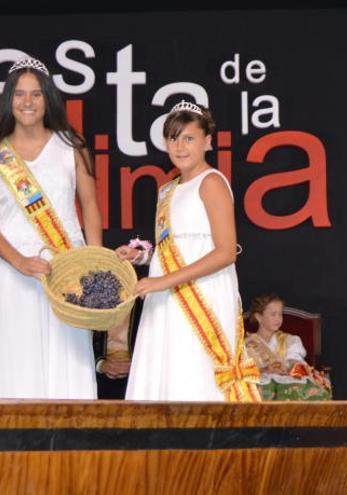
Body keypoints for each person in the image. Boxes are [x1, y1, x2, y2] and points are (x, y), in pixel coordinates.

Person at [0, 56, 101, 399]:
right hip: (14, 271)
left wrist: (93, 264)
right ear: (9, 99)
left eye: (37, 94)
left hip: (66, 270)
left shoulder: (72, 145)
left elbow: (90, 206)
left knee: (66, 357)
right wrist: (20, 262)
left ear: (49, 99)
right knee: (15, 358)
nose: (27, 102)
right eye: (20, 94)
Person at [117, 101, 260, 402]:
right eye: (173, 138)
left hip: (202, 294)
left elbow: (224, 252)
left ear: (208, 141)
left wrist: (162, 282)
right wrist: (140, 256)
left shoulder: (211, 183)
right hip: (166, 296)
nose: (179, 146)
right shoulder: (167, 190)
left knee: (193, 370)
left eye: (189, 138)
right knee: (167, 369)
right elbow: (173, 245)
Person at [243, 294, 331, 401]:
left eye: (280, 314)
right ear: (259, 317)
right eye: (273, 314)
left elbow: (296, 363)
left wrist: (290, 367)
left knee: (302, 391)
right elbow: (243, 369)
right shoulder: (247, 343)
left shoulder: (290, 340)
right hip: (260, 380)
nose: (278, 319)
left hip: (288, 379)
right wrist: (264, 370)